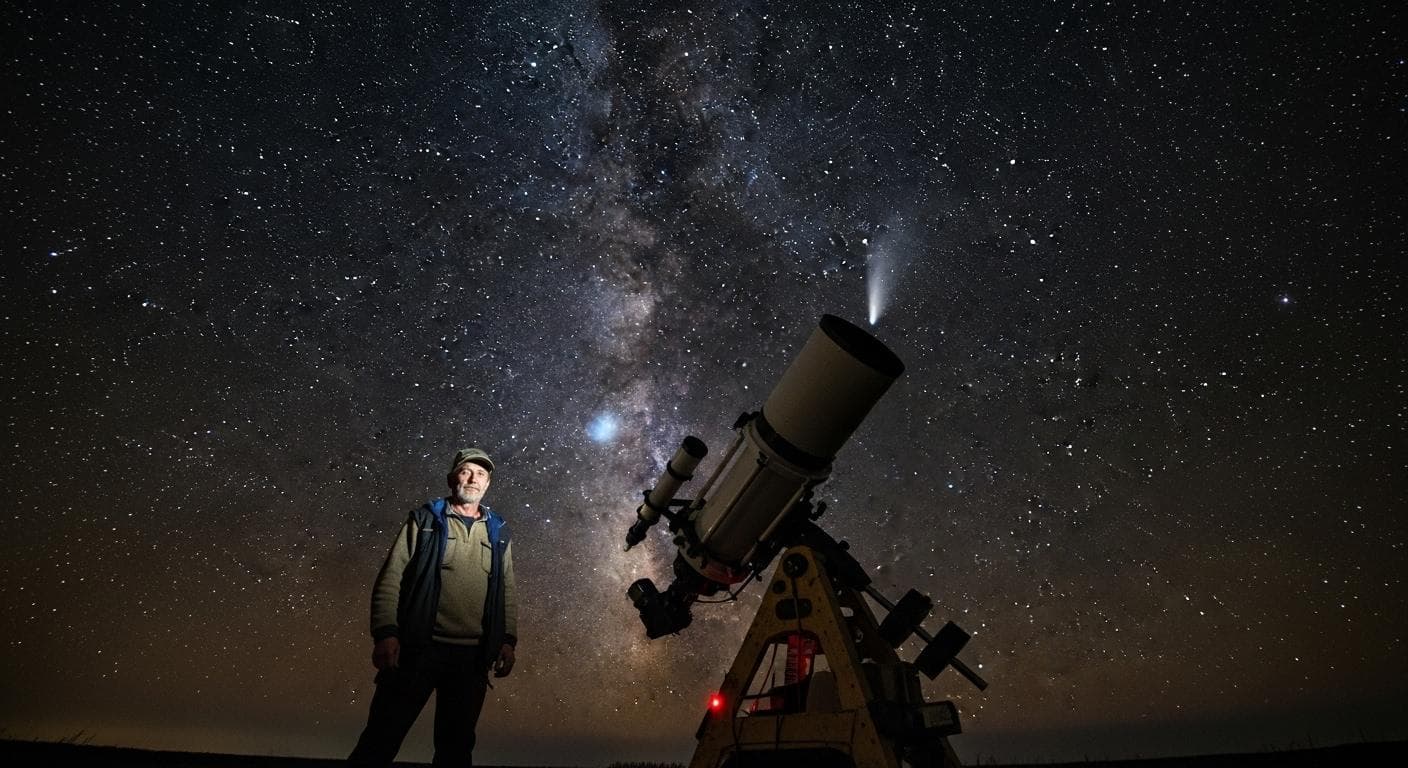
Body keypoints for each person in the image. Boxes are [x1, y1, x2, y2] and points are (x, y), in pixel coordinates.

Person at [348, 447, 517, 767]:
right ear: (452, 477)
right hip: (417, 651)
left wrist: (508, 640)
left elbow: (507, 588)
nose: (473, 479)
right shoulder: (425, 520)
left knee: (456, 751)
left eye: (481, 474)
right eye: (466, 471)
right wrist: (385, 633)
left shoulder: (499, 531)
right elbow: (391, 577)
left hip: (472, 660)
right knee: (380, 741)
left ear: (488, 484)